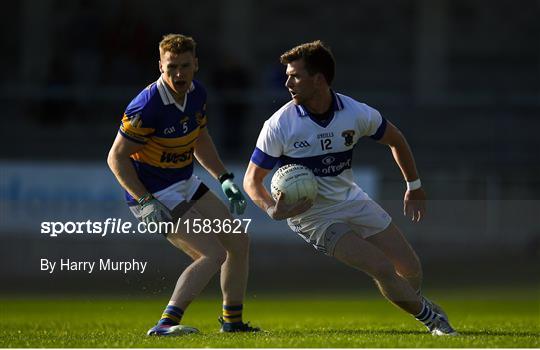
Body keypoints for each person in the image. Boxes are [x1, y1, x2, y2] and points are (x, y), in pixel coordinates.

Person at [243, 40, 457, 336]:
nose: (287, 82)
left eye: (295, 75)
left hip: (353, 200)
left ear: (318, 79)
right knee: (381, 267)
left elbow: (396, 139)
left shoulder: (355, 112)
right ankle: (432, 320)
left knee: (410, 268)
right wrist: (271, 208)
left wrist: (414, 186)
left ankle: (415, 302)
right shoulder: (279, 125)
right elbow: (252, 180)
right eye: (288, 75)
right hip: (313, 217)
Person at [107, 34, 259, 336]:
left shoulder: (197, 93)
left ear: (196, 65)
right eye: (171, 66)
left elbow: (199, 138)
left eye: (184, 66)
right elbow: (116, 158)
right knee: (212, 254)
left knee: (238, 242)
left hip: (185, 182)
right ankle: (165, 325)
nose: (178, 73)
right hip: (155, 194)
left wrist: (224, 178)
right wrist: (145, 200)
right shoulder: (146, 105)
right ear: (160, 66)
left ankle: (232, 322)